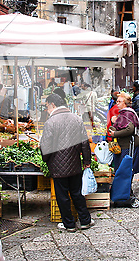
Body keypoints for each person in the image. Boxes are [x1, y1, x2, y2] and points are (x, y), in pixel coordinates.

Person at [40, 94, 94, 232]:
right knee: (77, 193)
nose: (47, 109)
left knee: (62, 196)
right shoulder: (76, 119)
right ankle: (85, 221)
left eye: (47, 106)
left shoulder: (50, 122)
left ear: (52, 104)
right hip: (75, 164)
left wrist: (46, 160)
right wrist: (87, 161)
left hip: (57, 166)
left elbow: (45, 147)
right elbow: (84, 143)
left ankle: (69, 224)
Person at [109, 92, 139, 172]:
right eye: (117, 101)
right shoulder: (123, 113)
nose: (117, 103)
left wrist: (115, 134)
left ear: (125, 103)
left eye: (120, 102)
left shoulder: (127, 114)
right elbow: (120, 127)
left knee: (124, 168)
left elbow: (129, 129)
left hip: (127, 145)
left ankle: (124, 184)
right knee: (121, 168)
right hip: (123, 145)